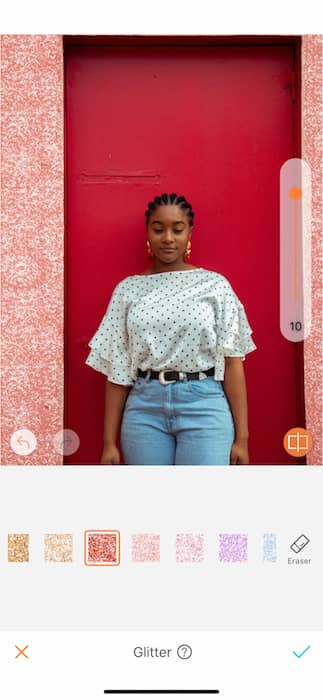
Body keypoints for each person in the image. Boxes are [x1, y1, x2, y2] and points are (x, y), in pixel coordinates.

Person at [85, 193, 256, 466]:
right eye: (158, 228)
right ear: (148, 232)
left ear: (189, 233)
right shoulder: (127, 290)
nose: (167, 238)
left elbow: (233, 362)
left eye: (177, 229)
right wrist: (108, 442)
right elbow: (118, 368)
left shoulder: (215, 286)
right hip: (144, 409)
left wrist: (242, 439)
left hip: (204, 405)